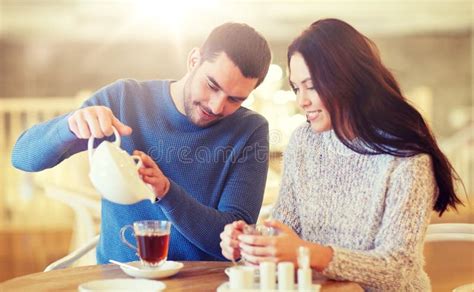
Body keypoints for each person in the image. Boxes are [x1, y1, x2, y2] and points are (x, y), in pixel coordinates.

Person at [220, 18, 463, 291]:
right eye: (296, 88)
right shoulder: (305, 141)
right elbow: (285, 227)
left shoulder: (406, 158)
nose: (302, 101)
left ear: (348, 79)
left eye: (311, 85)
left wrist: (306, 253)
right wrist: (252, 240)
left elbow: (398, 267)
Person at [12, 22, 272, 264]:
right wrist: (69, 126)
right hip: (119, 278)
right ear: (194, 60)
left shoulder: (250, 130)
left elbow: (233, 242)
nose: (216, 106)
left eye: (235, 99)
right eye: (212, 85)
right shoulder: (124, 100)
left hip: (201, 282)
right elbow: (22, 157)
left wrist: (167, 192)